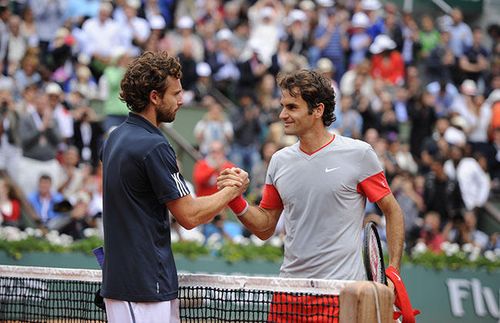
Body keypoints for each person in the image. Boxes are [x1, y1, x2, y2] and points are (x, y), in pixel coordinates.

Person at [99, 51, 248, 323]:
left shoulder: (115, 137)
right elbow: (189, 216)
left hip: (137, 282)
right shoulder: (153, 145)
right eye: (175, 94)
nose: (181, 100)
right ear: (155, 97)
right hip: (141, 286)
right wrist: (232, 190)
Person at [218, 69, 405, 281]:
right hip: (290, 289)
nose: (282, 115)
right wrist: (234, 199)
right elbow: (265, 227)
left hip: (341, 293)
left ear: (317, 110)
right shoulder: (279, 161)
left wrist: (393, 272)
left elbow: (392, 211)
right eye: (283, 106)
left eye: (292, 107)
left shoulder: (359, 154)